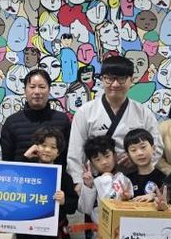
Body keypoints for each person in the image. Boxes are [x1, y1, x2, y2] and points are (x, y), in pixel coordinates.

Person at [67, 55, 163, 190]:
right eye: (110, 79)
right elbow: (75, 152)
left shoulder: (143, 112)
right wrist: (78, 182)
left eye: (121, 79)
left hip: (134, 180)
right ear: (102, 79)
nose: (115, 84)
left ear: (131, 80)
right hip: (97, 182)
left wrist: (137, 160)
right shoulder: (85, 112)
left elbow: (156, 147)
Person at [17, 127, 79, 239]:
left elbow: (73, 206)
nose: (47, 150)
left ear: (58, 152)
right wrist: (26, 156)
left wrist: (64, 201)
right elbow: (13, 181)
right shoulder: (27, 170)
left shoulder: (64, 176)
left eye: (53, 147)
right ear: (36, 147)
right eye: (43, 145)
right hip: (27, 231)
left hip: (53, 232)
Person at [77, 136, 133, 239]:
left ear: (115, 156)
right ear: (91, 163)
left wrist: (127, 198)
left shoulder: (123, 179)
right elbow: (85, 208)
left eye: (107, 156)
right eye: (98, 159)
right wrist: (88, 185)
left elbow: (133, 203)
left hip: (123, 231)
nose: (104, 162)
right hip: (101, 233)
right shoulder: (94, 182)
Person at [0, 69, 71, 163]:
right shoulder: (12, 122)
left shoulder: (62, 120)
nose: (37, 92)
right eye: (32, 87)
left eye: (42, 87)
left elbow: (68, 157)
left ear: (49, 90)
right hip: (21, 172)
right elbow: (6, 161)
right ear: (25, 90)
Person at [124, 128, 166, 201]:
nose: (139, 153)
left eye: (143, 147)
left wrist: (154, 196)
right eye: (133, 150)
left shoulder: (164, 179)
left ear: (153, 149)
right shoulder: (127, 180)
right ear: (128, 155)